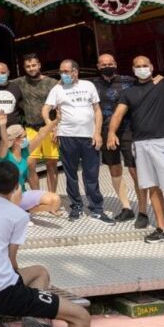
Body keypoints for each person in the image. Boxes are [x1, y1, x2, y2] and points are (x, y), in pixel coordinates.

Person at [0, 160, 92, 327]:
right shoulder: (17, 215)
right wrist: (14, 205)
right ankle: (35, 316)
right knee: (81, 317)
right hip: (3, 293)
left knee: (40, 272)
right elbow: (11, 261)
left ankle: (36, 319)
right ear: (17, 186)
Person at [107, 26, 164, 251]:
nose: (142, 68)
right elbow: (118, 114)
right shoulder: (129, 92)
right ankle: (162, 229)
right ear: (133, 70)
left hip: (163, 143)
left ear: (152, 68)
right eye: (138, 66)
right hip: (140, 145)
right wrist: (111, 132)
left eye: (145, 65)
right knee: (153, 188)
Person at [44, 60, 112, 224]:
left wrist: (97, 133)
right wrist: (51, 126)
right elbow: (46, 109)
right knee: (71, 174)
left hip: (89, 137)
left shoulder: (88, 85)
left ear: (76, 71)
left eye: (66, 71)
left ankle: (96, 208)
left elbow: (97, 111)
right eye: (61, 72)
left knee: (91, 173)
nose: (63, 74)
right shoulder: (57, 89)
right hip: (67, 137)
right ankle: (76, 206)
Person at [93, 53, 143, 224]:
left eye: (110, 63)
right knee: (115, 169)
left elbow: (150, 82)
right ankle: (126, 207)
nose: (107, 66)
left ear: (115, 63)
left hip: (129, 130)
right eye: (103, 64)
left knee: (135, 170)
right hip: (106, 132)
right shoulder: (92, 84)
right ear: (98, 66)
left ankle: (143, 209)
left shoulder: (129, 81)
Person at [0, 116, 62, 216]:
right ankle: (14, 213)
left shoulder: (25, 152)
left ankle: (25, 211)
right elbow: (4, 142)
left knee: (55, 200)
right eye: (24, 136)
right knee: (14, 193)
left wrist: (57, 120)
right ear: (15, 140)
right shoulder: (5, 156)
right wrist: (2, 125)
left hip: (21, 195)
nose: (27, 138)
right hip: (6, 196)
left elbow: (41, 133)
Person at [15, 53, 60, 194]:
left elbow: (60, 106)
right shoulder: (19, 82)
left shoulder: (52, 83)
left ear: (39, 65)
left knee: (51, 164)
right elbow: (2, 82)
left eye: (33, 65)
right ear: (24, 68)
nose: (31, 68)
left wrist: (57, 127)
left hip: (49, 128)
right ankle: (36, 197)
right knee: (29, 164)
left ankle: (51, 197)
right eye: (28, 66)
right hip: (30, 129)